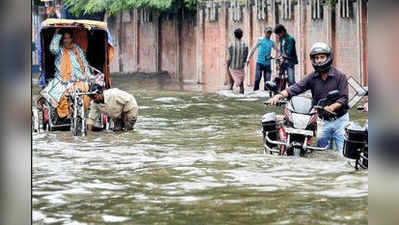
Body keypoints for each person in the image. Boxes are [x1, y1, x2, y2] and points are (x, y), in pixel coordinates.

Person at [266, 42, 349, 153]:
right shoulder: (312, 77)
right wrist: (278, 96)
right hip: (322, 121)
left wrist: (332, 107)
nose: (319, 60)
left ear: (328, 58)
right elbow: (295, 88)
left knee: (343, 154)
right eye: (317, 58)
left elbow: (344, 98)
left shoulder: (340, 76)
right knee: (322, 154)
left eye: (322, 57)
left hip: (340, 120)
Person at [45, 28, 93, 119]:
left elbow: (84, 63)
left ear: (72, 39)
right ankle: (66, 114)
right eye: (65, 38)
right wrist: (57, 33)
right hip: (63, 79)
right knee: (61, 94)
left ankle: (82, 111)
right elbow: (53, 49)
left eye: (69, 38)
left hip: (79, 79)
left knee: (85, 91)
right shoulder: (59, 50)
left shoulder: (77, 49)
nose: (67, 40)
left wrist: (88, 75)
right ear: (62, 39)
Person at [246, 26, 277, 91]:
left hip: (268, 65)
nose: (269, 34)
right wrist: (248, 58)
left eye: (270, 33)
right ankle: (255, 94)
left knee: (267, 82)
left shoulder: (272, 42)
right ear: (265, 32)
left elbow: (277, 50)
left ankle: (266, 96)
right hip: (259, 63)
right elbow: (253, 49)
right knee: (257, 80)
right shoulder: (260, 40)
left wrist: (274, 57)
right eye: (268, 32)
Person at [227, 28, 249, 94]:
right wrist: (243, 63)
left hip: (232, 67)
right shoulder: (245, 45)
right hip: (240, 67)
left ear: (234, 35)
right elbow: (245, 57)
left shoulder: (231, 44)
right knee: (241, 84)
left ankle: (230, 94)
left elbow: (229, 57)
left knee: (231, 81)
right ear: (242, 35)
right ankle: (241, 95)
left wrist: (227, 66)